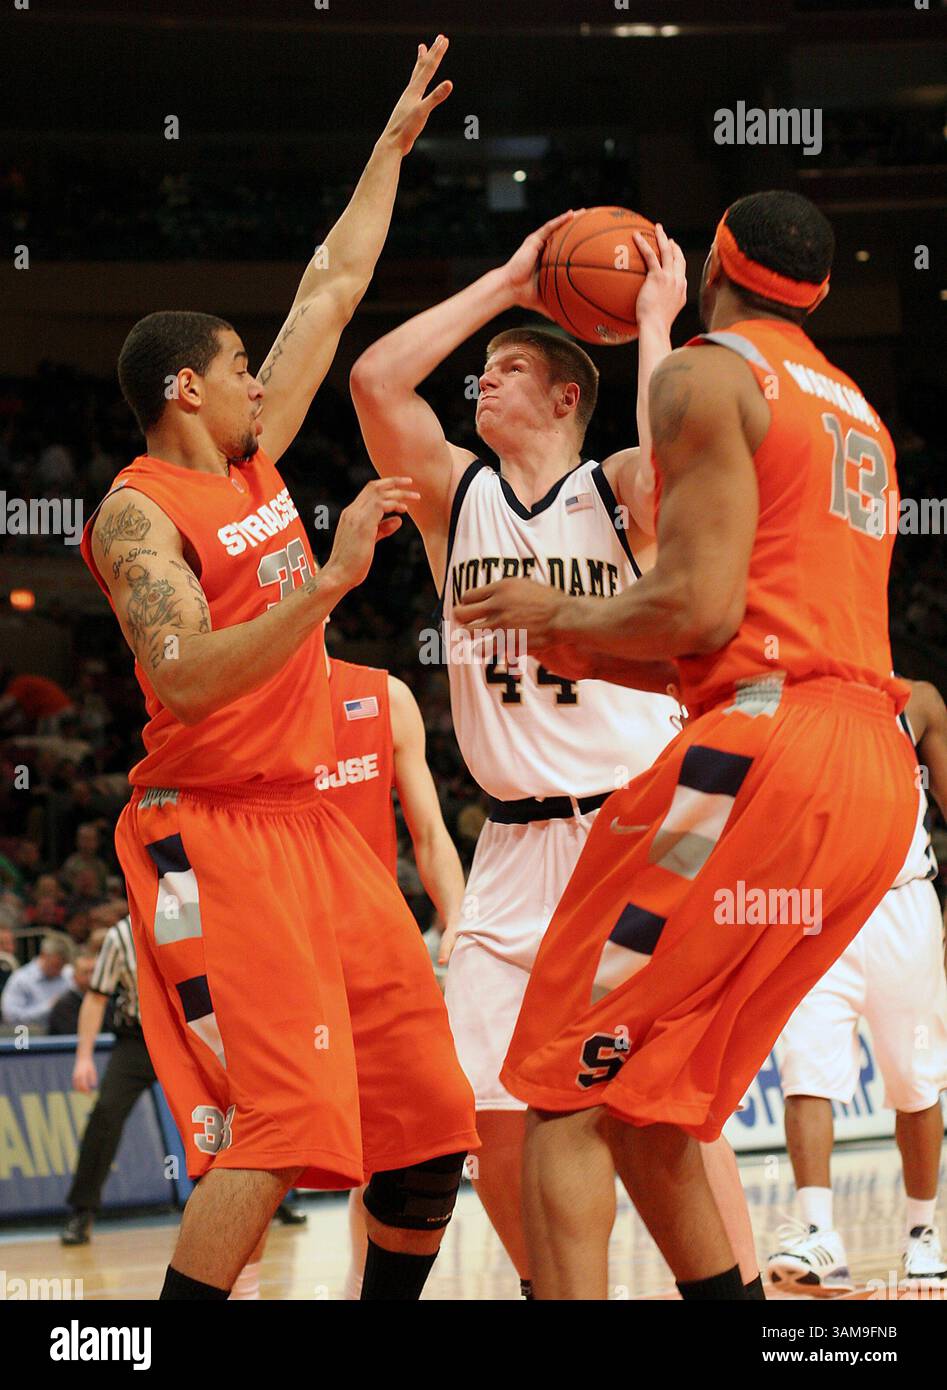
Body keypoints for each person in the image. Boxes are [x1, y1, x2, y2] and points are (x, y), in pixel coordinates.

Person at [454, 189, 917, 1300]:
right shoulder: (854, 406)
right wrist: (592, 651)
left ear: (715, 261)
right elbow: (723, 632)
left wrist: (551, 614)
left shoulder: (704, 373)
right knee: (649, 1101)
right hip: (871, 776)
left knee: (561, 1086)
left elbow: (700, 616)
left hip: (765, 741)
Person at [79, 36, 478, 1303]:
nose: (267, 376)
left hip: (318, 829)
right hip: (214, 828)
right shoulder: (137, 513)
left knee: (425, 1131)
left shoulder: (251, 457)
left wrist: (390, 146)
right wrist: (326, 585)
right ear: (188, 384)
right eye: (244, 365)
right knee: (281, 1135)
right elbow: (186, 677)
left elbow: (331, 285)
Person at [351, 217, 760, 1297]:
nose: (478, 383)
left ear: (568, 396)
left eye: (508, 371)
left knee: (654, 1104)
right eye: (481, 370)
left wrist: (658, 322)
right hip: (510, 842)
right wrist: (503, 284)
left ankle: (743, 1298)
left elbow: (681, 456)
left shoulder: (616, 488)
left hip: (631, 824)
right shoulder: (457, 495)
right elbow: (375, 382)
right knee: (485, 1111)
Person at [768, 679, 947, 1292]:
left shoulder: (917, 701)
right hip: (817, 911)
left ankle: (923, 1232)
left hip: (904, 906)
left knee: (914, 1078)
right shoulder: (782, 695)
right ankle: (820, 1234)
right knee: (805, 1069)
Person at [320, 649, 466, 1298]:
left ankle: (363, 1288)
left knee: (420, 1134)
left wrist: (456, 917)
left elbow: (429, 832)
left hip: (377, 948)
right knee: (262, 1155)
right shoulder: (239, 697)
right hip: (280, 950)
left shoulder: (384, 696)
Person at [61, 916, 143, 1245]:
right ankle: (82, 1212)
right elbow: (96, 998)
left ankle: (269, 1205)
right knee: (106, 1114)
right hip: (138, 1038)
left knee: (221, 1117)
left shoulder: (198, 916)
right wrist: (83, 1057)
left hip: (186, 1037)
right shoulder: (120, 936)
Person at [1, 933, 74, 1026]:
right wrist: (49, 1007)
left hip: (67, 1034)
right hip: (33, 1036)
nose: (59, 970)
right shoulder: (21, 979)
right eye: (56, 965)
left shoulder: (69, 974)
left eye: (62, 966)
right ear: (43, 955)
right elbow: (11, 1017)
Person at [48, 947, 103, 1035]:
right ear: (74, 976)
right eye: (85, 972)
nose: (90, 977)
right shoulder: (64, 1005)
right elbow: (72, 1036)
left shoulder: (106, 999)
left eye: (93, 971)